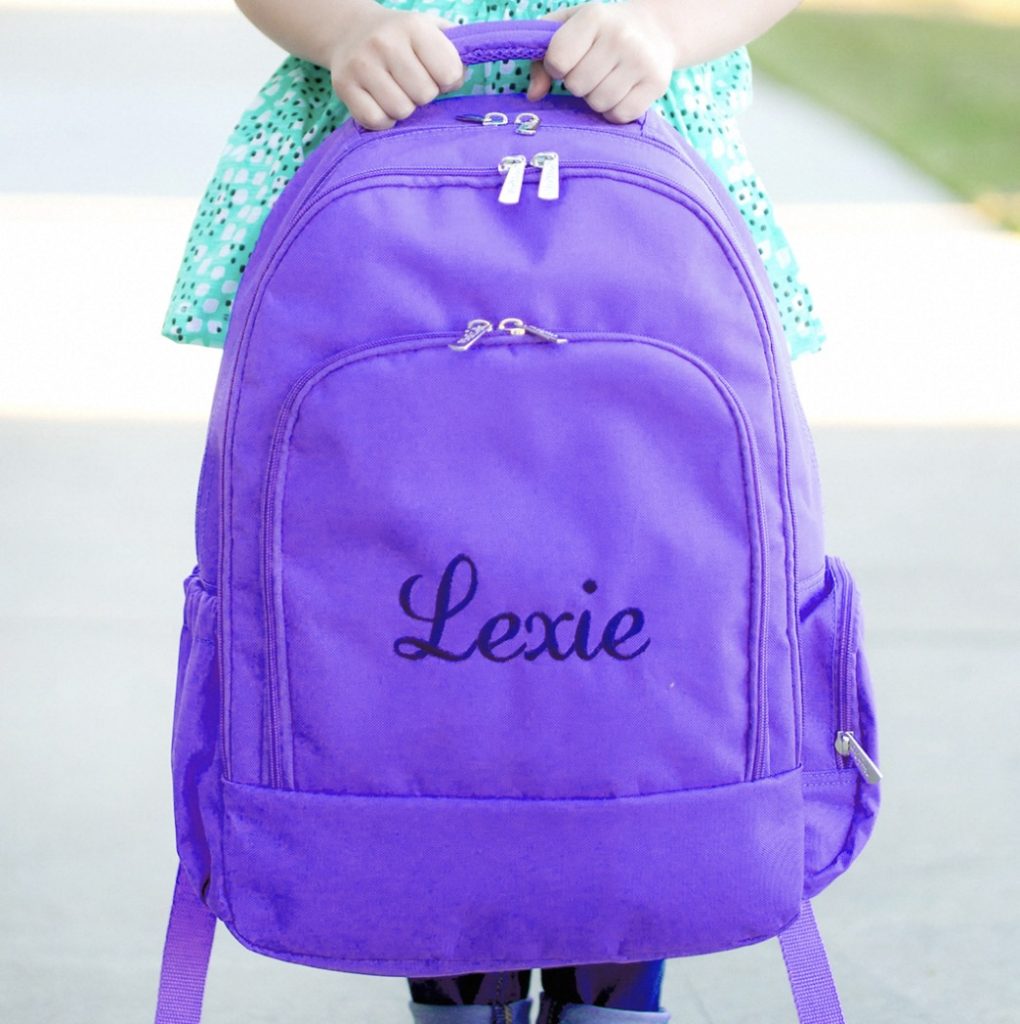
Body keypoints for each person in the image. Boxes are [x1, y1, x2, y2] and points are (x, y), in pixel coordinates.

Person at [163, 2, 816, 1021]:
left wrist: (669, 28)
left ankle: (616, 972)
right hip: (381, 200)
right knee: (405, 605)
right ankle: (464, 976)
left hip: (633, 196)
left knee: (636, 599)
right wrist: (340, 27)